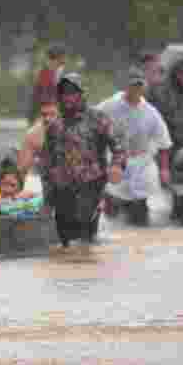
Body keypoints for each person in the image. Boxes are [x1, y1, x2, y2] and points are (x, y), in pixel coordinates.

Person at [40, 73, 126, 247]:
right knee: (63, 244)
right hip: (62, 190)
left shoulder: (97, 118)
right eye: (64, 93)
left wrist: (117, 165)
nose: (68, 97)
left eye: (72, 92)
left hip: (90, 187)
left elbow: (119, 144)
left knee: (84, 242)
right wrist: (47, 200)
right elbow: (47, 164)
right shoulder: (54, 126)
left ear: (81, 94)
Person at [94, 67, 173, 225]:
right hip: (115, 161)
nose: (136, 89)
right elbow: (90, 119)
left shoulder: (151, 113)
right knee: (111, 209)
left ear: (144, 87)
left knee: (139, 216)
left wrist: (164, 169)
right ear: (126, 86)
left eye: (139, 85)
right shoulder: (110, 105)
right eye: (132, 85)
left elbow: (164, 143)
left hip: (141, 164)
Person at [30, 44, 67, 123]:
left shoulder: (57, 72)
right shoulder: (45, 73)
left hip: (50, 111)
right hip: (44, 112)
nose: (63, 62)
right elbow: (44, 97)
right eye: (62, 59)